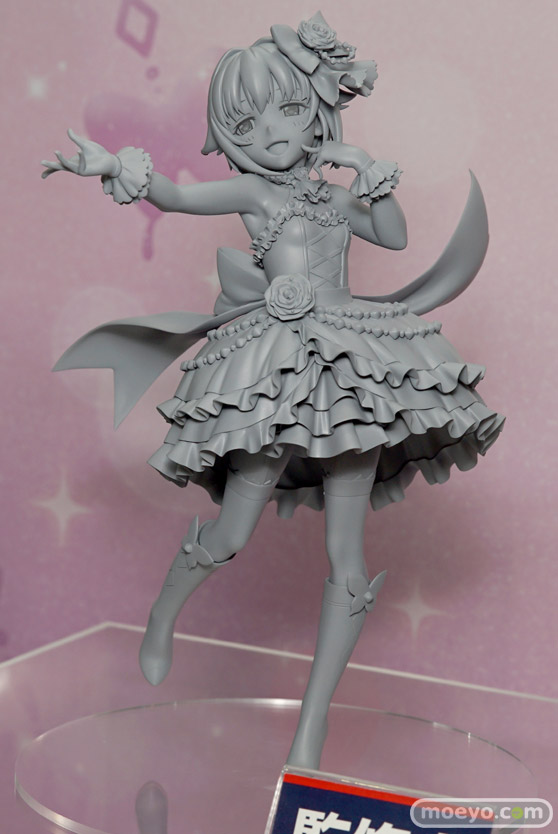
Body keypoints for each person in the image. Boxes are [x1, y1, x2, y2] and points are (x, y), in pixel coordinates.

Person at [42, 13, 504, 770]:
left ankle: (310, 729)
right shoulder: (254, 195)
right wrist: (110, 167)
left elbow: (393, 236)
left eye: (287, 109)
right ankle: (163, 614)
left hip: (352, 372)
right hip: (276, 374)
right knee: (231, 532)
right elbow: (175, 195)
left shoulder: (334, 198)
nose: (269, 134)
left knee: (347, 556)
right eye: (244, 124)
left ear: (317, 107)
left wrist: (362, 167)